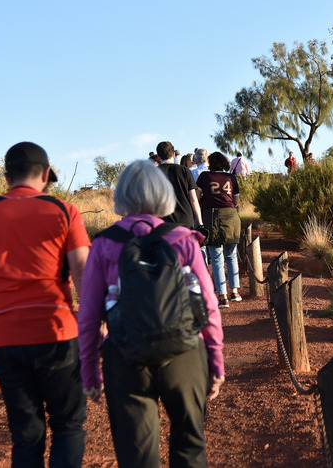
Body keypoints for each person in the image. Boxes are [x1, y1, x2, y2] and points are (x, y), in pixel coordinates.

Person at [78, 159, 224, 468]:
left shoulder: (103, 244)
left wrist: (90, 370)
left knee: (137, 456)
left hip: (126, 356)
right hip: (184, 352)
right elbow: (208, 304)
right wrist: (215, 360)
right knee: (190, 445)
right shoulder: (184, 239)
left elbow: (89, 316)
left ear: (122, 196)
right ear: (164, 194)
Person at [0, 141, 90, 467]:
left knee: (26, 435)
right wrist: (94, 328)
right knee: (68, 425)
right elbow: (84, 274)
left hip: (4, 340)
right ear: (45, 174)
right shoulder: (65, 211)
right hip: (57, 334)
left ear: (6, 177)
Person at [197, 151, 242, 309]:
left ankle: (223, 297)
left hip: (211, 217)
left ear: (210, 163)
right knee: (231, 255)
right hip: (231, 216)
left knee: (216, 258)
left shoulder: (204, 177)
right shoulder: (231, 177)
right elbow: (236, 200)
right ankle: (234, 292)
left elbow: (197, 197)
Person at [156, 141, 202, 229]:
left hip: (162, 222)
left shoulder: (153, 173)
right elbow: (193, 199)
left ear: (158, 157)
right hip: (185, 220)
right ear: (173, 154)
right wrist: (200, 223)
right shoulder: (185, 171)